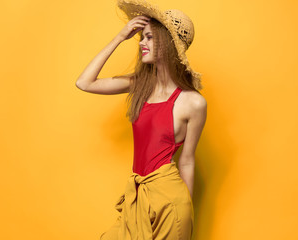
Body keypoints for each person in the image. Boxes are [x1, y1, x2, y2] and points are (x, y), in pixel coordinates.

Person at [75, 0, 207, 239]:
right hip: (137, 196)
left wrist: (185, 214)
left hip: (170, 201)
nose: (141, 44)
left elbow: (187, 161)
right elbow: (85, 83)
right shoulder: (140, 85)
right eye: (141, 38)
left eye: (149, 38)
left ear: (168, 44)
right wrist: (119, 37)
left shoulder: (193, 102)